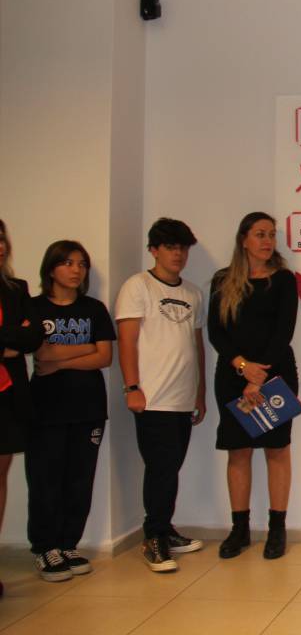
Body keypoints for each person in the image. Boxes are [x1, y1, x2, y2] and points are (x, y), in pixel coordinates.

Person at [116, 218, 207, 573]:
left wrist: (199, 393)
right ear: (153, 250)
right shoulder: (137, 286)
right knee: (161, 469)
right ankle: (153, 537)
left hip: (183, 398)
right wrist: (132, 387)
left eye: (182, 248)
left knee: (171, 468)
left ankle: (164, 529)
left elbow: (196, 346)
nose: (178, 254)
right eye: (170, 247)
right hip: (152, 398)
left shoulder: (193, 293)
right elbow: (127, 340)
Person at [208, 212, 298, 560]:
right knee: (239, 451)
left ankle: (276, 529)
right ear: (243, 239)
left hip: (275, 375)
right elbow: (216, 332)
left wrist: (258, 376)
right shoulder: (222, 280)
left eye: (271, 235)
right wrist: (243, 368)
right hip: (233, 377)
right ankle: (240, 529)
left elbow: (284, 331)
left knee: (276, 450)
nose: (268, 241)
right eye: (260, 234)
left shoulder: (284, 280)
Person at [28, 241, 115, 581]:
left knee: (79, 480)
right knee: (45, 480)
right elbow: (41, 354)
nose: (76, 270)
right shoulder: (33, 308)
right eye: (67, 263)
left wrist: (60, 357)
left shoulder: (94, 309)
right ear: (51, 269)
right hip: (46, 409)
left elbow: (104, 357)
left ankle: (68, 545)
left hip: (88, 408)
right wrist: (85, 348)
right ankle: (45, 548)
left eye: (81, 264)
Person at [0, 220, 44, 597]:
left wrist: (15, 339)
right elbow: (19, 334)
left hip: (8, 394)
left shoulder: (16, 289)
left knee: (0, 473)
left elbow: (33, 336)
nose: (0, 247)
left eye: (2, 240)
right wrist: (8, 342)